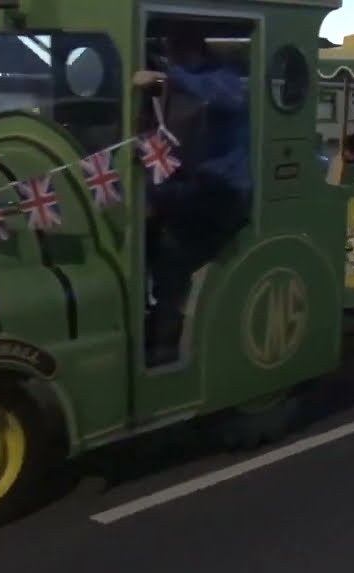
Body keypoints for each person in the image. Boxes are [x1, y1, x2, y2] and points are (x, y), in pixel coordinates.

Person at [133, 29, 251, 367]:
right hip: (191, 186)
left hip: (225, 191)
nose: (172, 52)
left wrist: (169, 77)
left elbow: (230, 95)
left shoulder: (221, 78)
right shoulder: (181, 81)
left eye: (176, 48)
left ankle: (168, 344)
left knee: (173, 256)